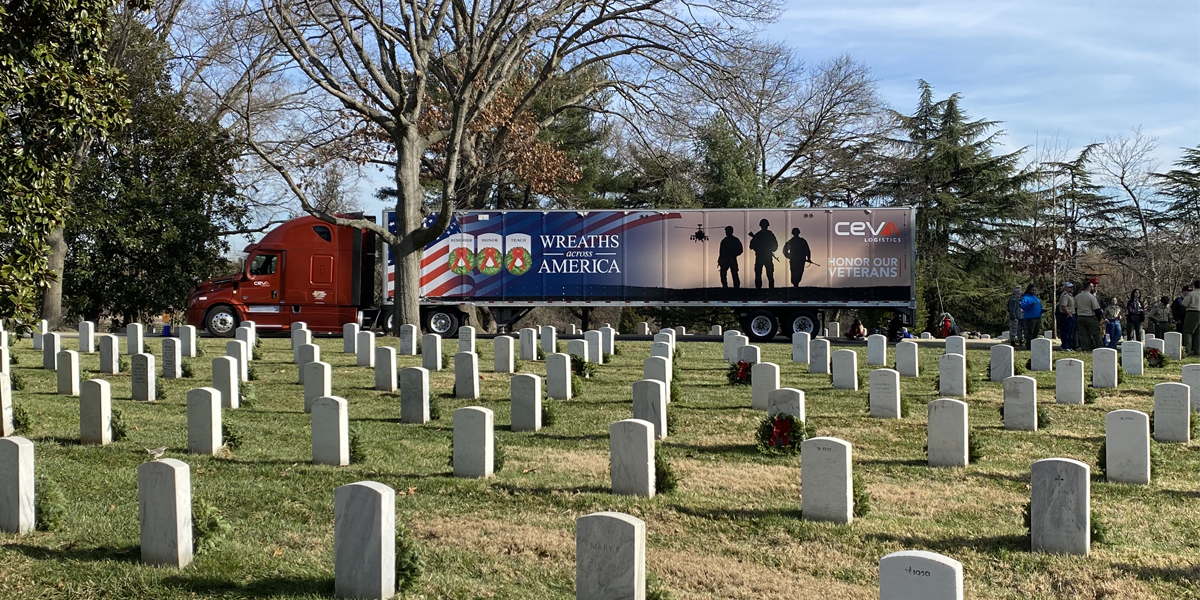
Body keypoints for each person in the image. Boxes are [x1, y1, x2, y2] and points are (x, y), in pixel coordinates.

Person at [748, 218, 778, 289]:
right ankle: (770, 289)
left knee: (761, 274)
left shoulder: (758, 235)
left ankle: (760, 289)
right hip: (765, 256)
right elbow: (775, 246)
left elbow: (751, 246)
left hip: (761, 256)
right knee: (767, 274)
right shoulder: (769, 234)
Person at [1074, 280, 1103, 351]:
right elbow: (1097, 309)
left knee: (1083, 334)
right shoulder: (1091, 297)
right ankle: (1100, 347)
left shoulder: (1077, 296)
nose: (1093, 288)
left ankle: (1085, 348)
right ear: (1089, 287)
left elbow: (1075, 308)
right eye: (1092, 286)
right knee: (1096, 333)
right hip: (1090, 317)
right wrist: (1099, 319)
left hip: (1080, 317)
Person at [1020, 285, 1043, 350]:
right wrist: (1031, 304)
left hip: (1037, 317)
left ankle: (1035, 345)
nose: (1033, 291)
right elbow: (1023, 306)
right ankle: (1029, 346)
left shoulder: (1035, 297)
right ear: (1028, 290)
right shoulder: (1026, 297)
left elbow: (1039, 306)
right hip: (1030, 318)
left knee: (1036, 332)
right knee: (1030, 332)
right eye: (1032, 290)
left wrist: (1041, 310)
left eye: (1034, 290)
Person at [1183, 279, 1200, 357]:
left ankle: (1187, 350)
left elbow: (1184, 303)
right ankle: (1198, 350)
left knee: (1188, 332)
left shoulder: (1191, 294)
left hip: (1193, 312)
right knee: (1198, 333)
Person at [1057, 282, 1076, 350]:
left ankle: (1069, 345)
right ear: (1065, 288)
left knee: (1070, 331)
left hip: (1071, 315)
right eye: (1069, 287)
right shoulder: (1065, 295)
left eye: (1071, 287)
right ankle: (1065, 346)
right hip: (1066, 315)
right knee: (1066, 331)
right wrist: (1069, 314)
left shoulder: (1070, 295)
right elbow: (1063, 306)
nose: (1071, 288)